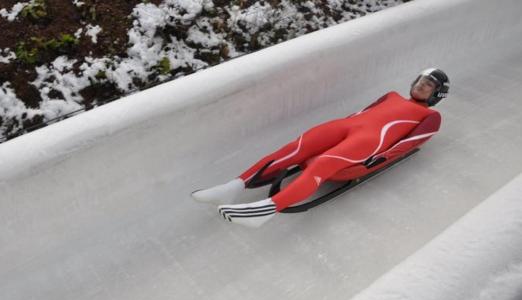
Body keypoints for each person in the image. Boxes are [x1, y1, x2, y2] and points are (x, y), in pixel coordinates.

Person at [192, 68, 450, 228]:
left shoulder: (430, 117)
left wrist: (377, 160)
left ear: (436, 95)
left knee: (322, 163)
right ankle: (233, 187)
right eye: (421, 80)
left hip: (369, 141)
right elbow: (364, 112)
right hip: (347, 126)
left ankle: (267, 209)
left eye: (429, 85)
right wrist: (342, 128)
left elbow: (407, 144)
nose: (421, 85)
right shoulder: (391, 95)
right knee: (295, 148)